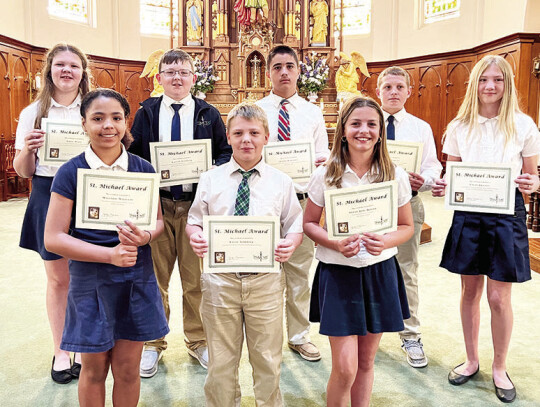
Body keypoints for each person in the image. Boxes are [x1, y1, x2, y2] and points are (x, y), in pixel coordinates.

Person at [43, 89, 169, 407]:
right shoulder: (70, 172)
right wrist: (108, 255)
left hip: (135, 279)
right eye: (97, 118)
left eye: (116, 118)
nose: (107, 126)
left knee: (127, 370)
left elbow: (157, 222)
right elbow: (53, 238)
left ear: (126, 122)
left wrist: (146, 236)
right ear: (84, 124)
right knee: (94, 369)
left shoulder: (143, 169)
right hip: (90, 280)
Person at [432, 55, 540, 403]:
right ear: (474, 84)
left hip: (507, 213)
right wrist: (442, 185)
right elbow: (452, 177)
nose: (490, 86)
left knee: (498, 297)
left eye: (498, 80)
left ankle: (499, 366)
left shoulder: (524, 125)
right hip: (468, 213)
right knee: (469, 293)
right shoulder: (459, 126)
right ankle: (472, 360)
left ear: (507, 84)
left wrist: (532, 182)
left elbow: (532, 176)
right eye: (483, 80)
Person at [186, 102, 303, 406]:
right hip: (220, 281)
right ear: (228, 136)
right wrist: (196, 236)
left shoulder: (281, 182)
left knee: (267, 359)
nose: (246, 139)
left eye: (254, 133)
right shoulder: (210, 179)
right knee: (221, 362)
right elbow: (194, 221)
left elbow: (294, 225)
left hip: (265, 283)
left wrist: (290, 242)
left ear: (266, 136)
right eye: (238, 133)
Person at [304, 96, 414, 407]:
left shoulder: (395, 174)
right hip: (338, 274)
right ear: (342, 130)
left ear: (380, 131)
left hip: (379, 273)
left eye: (371, 124)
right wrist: (335, 243)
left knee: (366, 363)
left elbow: (406, 226)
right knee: (345, 367)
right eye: (355, 124)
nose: (363, 130)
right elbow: (310, 224)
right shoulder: (325, 173)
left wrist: (387, 241)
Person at [129, 48, 231, 376]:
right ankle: (152, 343)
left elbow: (225, 153)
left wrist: (208, 171)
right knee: (153, 280)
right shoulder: (146, 112)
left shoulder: (209, 113)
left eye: (183, 72)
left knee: (195, 279)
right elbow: (133, 155)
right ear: (159, 78)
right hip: (156, 208)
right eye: (170, 72)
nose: (176, 78)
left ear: (193, 78)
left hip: (194, 208)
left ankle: (198, 340)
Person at [13, 43, 91, 384]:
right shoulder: (33, 112)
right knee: (59, 280)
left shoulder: (92, 108)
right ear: (49, 70)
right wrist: (28, 150)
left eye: (73, 65)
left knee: (88, 279)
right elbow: (23, 171)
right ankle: (61, 350)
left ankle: (88, 347)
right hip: (48, 193)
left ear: (82, 72)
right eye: (60, 64)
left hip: (89, 194)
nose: (67, 71)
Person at [256, 45, 330, 362]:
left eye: (289, 66)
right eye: (277, 67)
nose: (284, 72)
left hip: (301, 202)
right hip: (266, 201)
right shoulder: (257, 111)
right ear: (268, 72)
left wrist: (318, 163)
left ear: (299, 70)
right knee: (267, 274)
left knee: (299, 273)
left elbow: (324, 160)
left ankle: (299, 336)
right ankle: (268, 339)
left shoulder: (313, 113)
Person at [375, 66, 442, 368]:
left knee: (407, 269)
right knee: (366, 268)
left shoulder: (420, 127)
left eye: (399, 87)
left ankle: (410, 334)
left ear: (409, 91)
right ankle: (368, 329)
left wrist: (423, 180)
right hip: (369, 207)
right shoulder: (365, 121)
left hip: (407, 206)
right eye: (387, 86)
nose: (393, 92)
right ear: (378, 91)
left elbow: (433, 167)